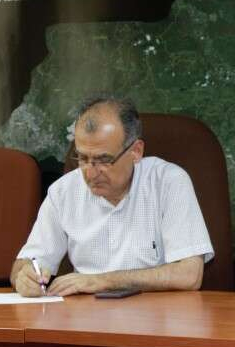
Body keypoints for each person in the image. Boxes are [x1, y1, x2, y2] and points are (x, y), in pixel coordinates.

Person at [11, 95, 212, 296]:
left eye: (104, 160)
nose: (90, 173)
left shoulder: (168, 182)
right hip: (85, 313)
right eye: (82, 158)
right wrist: (25, 276)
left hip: (155, 312)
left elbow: (190, 275)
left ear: (136, 151)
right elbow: (26, 263)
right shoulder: (63, 192)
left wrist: (103, 281)